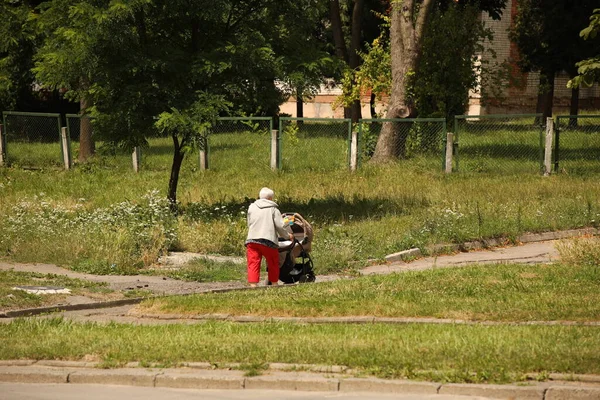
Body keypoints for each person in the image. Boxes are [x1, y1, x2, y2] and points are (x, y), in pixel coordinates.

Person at [245, 187, 294, 287]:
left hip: (252, 239)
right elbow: (280, 226)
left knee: (253, 262)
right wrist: (287, 236)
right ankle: (274, 283)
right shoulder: (273, 209)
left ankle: (253, 285)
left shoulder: (252, 207)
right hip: (268, 240)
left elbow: (249, 223)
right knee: (272, 262)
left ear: (260, 196)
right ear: (270, 198)